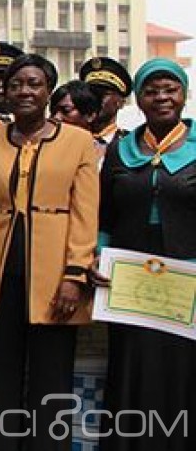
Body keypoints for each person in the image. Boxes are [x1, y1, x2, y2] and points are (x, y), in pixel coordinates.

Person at [0, 54, 98, 451]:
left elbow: (85, 213)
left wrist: (75, 276)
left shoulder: (78, 141)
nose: (24, 91)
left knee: (50, 380)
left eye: (34, 83)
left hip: (56, 278)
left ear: (49, 91)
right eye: (16, 83)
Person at [97, 58, 194, 451]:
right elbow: (105, 212)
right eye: (151, 91)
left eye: (170, 89)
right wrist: (99, 258)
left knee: (182, 368)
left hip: (187, 278)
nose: (161, 98)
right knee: (132, 364)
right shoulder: (122, 150)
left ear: (184, 95)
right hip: (130, 277)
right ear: (138, 98)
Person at [79, 56, 132, 160]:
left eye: (103, 94)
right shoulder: (71, 139)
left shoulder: (131, 145)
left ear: (120, 102)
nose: (95, 99)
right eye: (92, 93)